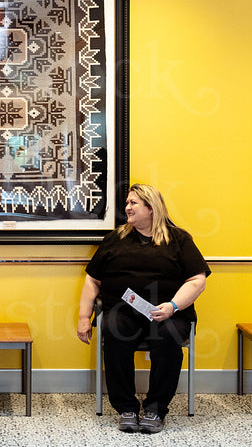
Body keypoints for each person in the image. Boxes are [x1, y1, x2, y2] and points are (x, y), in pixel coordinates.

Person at [76, 183, 209, 434]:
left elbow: (197, 280)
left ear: (151, 207)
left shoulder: (179, 239)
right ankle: (126, 407)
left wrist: (172, 306)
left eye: (133, 203)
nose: (127, 207)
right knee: (113, 329)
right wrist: (84, 317)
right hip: (123, 312)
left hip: (166, 312)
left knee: (167, 335)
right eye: (127, 203)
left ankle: (155, 409)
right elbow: (93, 280)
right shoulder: (116, 239)